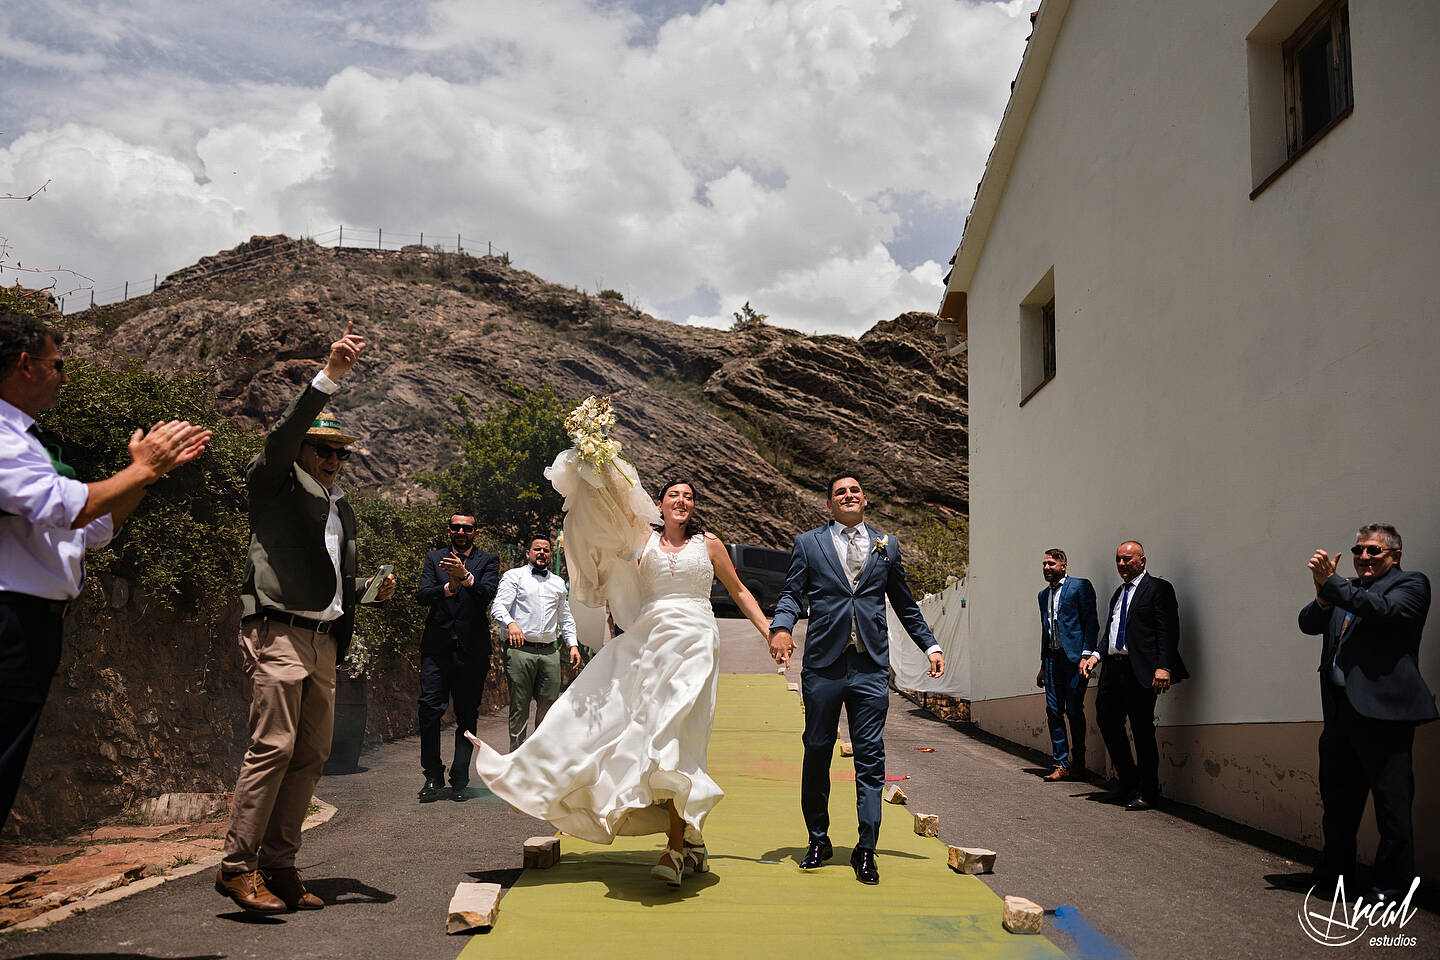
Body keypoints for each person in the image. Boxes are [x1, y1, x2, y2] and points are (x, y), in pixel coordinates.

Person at [471, 465, 771, 890]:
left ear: (694, 505)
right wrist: (593, 462)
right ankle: (685, 836)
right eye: (673, 495)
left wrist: (771, 631)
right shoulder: (641, 541)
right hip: (649, 642)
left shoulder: (709, 544)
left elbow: (739, 591)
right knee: (629, 729)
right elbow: (604, 513)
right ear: (660, 504)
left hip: (697, 644)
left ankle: (675, 847)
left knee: (672, 734)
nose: (681, 501)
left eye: (688, 495)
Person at [0, 311, 210, 833]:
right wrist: (143, 468)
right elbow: (67, 507)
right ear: (25, 364)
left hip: (31, 620)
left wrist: (148, 477)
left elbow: (90, 531)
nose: (63, 376)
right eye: (57, 364)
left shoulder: (25, 439)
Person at [215, 322, 395, 914]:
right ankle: (237, 867)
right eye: (325, 450)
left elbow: (333, 585)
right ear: (302, 450)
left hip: (322, 640)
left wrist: (371, 591)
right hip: (278, 633)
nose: (336, 460)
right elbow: (285, 432)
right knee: (273, 746)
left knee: (313, 752)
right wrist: (330, 376)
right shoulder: (273, 483)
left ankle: (280, 865)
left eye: (342, 453)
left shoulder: (338, 508)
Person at [768, 474, 944, 885]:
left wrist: (930, 645)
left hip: (869, 666)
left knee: (870, 755)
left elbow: (903, 602)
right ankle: (818, 839)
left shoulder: (888, 545)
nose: (847, 496)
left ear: (865, 500)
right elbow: (793, 593)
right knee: (816, 749)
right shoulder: (808, 544)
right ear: (829, 505)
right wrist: (781, 627)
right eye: (838, 493)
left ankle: (867, 848)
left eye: (854, 490)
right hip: (823, 665)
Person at [1300, 523, 1434, 898]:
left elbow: (1385, 612)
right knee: (1338, 804)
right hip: (1341, 714)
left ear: (1395, 556)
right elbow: (1307, 623)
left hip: (1384, 716)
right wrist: (1324, 597)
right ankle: (1334, 875)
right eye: (1358, 551)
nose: (1362, 558)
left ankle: (1393, 885)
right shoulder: (1346, 590)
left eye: (1373, 551)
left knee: (1392, 805)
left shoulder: (1411, 585)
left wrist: (1334, 586)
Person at [1078, 540, 1187, 811]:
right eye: (1118, 559)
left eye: (1128, 559)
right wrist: (1095, 656)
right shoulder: (1118, 594)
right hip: (1113, 669)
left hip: (1142, 671)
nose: (1122, 564)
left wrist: (1164, 667)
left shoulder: (1158, 589)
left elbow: (1168, 630)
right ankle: (1128, 781)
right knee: (1106, 719)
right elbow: (1111, 634)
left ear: (1142, 561)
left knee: (1141, 730)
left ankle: (1149, 792)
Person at [414, 512, 499, 802]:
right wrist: (447, 587)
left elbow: (486, 593)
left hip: (471, 652)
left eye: (467, 528)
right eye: (456, 527)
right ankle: (432, 775)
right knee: (429, 710)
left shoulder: (487, 560)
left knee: (466, 716)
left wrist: (464, 576)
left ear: (476, 532)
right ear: (449, 530)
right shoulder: (434, 557)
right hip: (437, 650)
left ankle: (460, 779)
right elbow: (422, 595)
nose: (461, 531)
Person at [490, 537, 579, 751]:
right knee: (519, 707)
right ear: (528, 553)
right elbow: (498, 606)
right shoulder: (514, 576)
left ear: (551, 555)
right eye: (537, 549)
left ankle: (539, 756)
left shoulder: (558, 582)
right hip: (521, 651)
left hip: (550, 653)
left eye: (546, 550)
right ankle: (516, 756)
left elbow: (565, 617)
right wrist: (511, 624)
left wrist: (573, 644)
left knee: (549, 707)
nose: (541, 553)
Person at [1034, 548, 1099, 781]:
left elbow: (1091, 623)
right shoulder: (1043, 595)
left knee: (1073, 710)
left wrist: (1086, 656)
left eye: (1051, 564)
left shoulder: (1080, 586)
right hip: (1052, 660)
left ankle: (1079, 762)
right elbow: (1046, 631)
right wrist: (1042, 664)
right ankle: (1061, 763)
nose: (1046, 568)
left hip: (1074, 660)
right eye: (1044, 564)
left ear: (1064, 565)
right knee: (1053, 711)